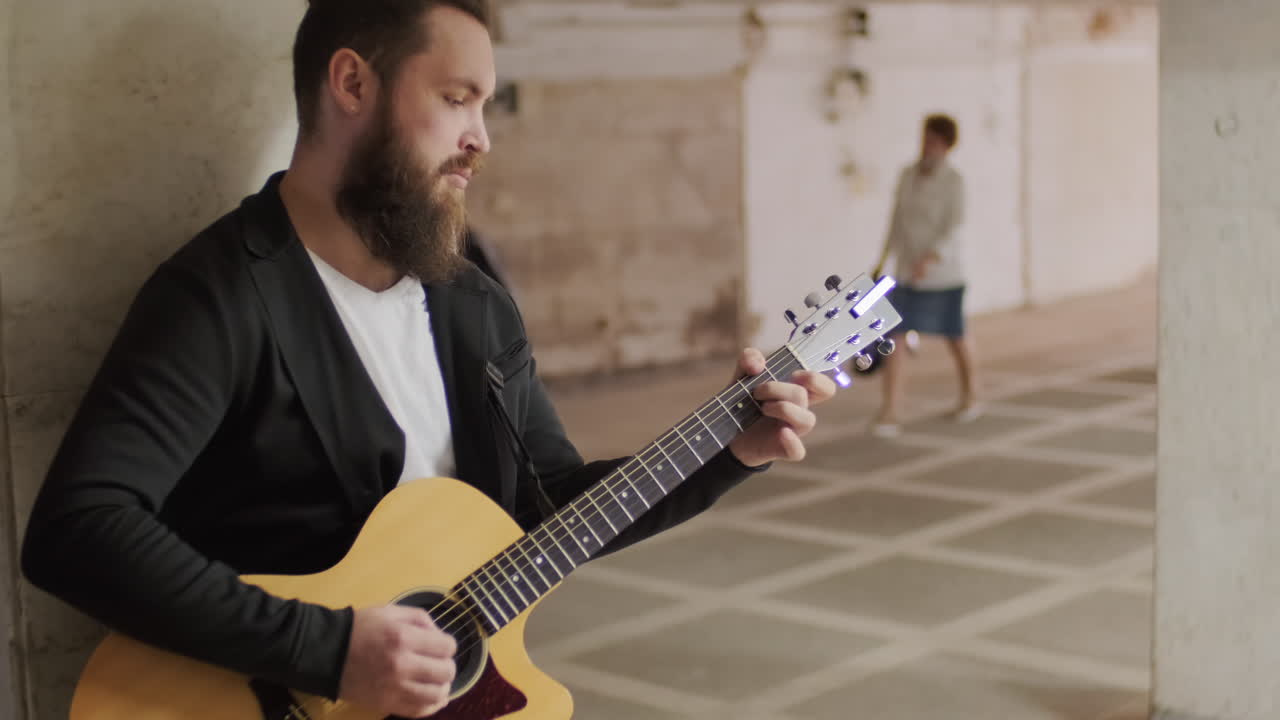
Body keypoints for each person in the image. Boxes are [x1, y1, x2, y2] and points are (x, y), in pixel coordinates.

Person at [19, 2, 835, 718]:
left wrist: (729, 450)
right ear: (352, 85)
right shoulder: (221, 296)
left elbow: (548, 507)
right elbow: (78, 529)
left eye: (483, 105)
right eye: (455, 100)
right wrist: (327, 649)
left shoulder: (471, 305)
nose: (481, 138)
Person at [870, 113, 981, 437]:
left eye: (933, 140)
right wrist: (883, 259)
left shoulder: (953, 181)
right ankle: (889, 410)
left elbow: (953, 225)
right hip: (906, 273)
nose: (926, 145)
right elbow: (896, 219)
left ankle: (971, 394)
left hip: (942, 275)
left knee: (955, 335)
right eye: (925, 138)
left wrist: (930, 258)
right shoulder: (907, 174)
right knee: (896, 338)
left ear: (946, 145)